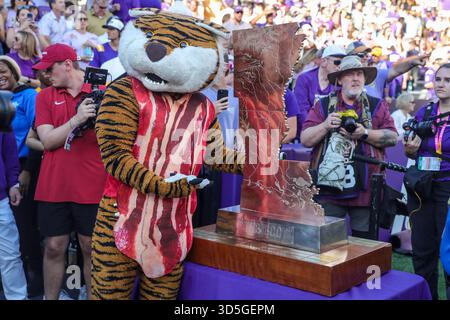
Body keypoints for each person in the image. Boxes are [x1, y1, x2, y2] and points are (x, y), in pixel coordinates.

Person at [32, 43, 107, 300]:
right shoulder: (43, 96)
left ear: (67, 64)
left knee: (91, 248)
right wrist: (77, 119)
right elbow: (48, 141)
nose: (45, 75)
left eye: (49, 69)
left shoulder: (104, 93)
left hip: (94, 185)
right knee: (53, 247)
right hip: (54, 185)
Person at [301, 55, 398, 240]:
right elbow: (305, 139)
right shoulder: (322, 105)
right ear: (339, 79)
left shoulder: (377, 105)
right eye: (350, 74)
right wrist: (325, 125)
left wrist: (365, 133)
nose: (356, 78)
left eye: (359, 74)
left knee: (363, 246)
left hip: (366, 189)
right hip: (328, 188)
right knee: (326, 244)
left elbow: (393, 137)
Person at [404, 63, 450, 300]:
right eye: (438, 79)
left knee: (448, 253)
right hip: (421, 187)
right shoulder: (426, 111)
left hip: (447, 189)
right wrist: (410, 149)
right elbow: (411, 150)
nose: (441, 84)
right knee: (422, 251)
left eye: (447, 80)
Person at [294, 44, 346, 139]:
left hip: (332, 134)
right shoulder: (304, 79)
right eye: (337, 62)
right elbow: (302, 110)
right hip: (306, 135)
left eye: (343, 63)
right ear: (323, 62)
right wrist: (315, 130)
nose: (340, 67)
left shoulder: (340, 82)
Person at [346, 41, 429, 99]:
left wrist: (412, 61)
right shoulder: (342, 78)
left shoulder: (375, 74)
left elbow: (396, 70)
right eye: (361, 55)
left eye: (366, 55)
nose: (365, 57)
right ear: (348, 57)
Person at [90, 15, 124, 80]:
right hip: (104, 87)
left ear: (120, 32)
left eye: (112, 29)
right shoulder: (99, 48)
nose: (108, 31)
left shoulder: (127, 50)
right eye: (108, 29)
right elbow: (92, 70)